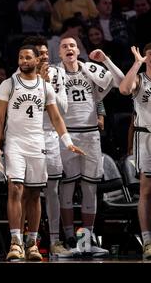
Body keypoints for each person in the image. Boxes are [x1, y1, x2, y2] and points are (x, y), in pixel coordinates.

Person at [0, 45, 84, 261]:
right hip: (14, 142)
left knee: (34, 194)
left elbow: (56, 118)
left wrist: (67, 141)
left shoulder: (45, 87)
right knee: (15, 189)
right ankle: (15, 241)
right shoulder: (9, 83)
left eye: (27, 57)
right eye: (20, 57)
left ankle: (31, 242)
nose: (23, 60)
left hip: (37, 142)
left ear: (35, 61)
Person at [57, 37, 125, 257]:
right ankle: (69, 239)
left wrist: (106, 60)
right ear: (59, 53)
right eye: (64, 46)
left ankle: (86, 240)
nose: (69, 48)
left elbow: (121, 82)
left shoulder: (89, 69)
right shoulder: (53, 74)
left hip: (90, 134)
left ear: (78, 51)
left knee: (89, 188)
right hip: (66, 134)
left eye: (72, 45)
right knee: (66, 187)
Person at [22, 35, 72, 258]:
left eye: (45, 53)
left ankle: (54, 240)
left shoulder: (58, 73)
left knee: (52, 189)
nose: (44, 56)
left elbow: (63, 109)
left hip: (51, 135)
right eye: (39, 53)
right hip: (29, 136)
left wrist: (47, 85)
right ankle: (25, 240)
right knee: (27, 191)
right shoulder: (19, 76)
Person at [119, 44, 151, 260]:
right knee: (146, 190)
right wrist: (137, 63)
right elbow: (123, 89)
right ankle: (148, 241)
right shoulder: (140, 79)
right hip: (146, 136)